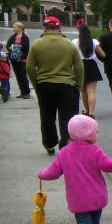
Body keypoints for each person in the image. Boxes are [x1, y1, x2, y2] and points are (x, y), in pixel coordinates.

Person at [26, 16, 83, 154]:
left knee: (47, 116)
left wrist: (36, 84)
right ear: (59, 28)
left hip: (45, 85)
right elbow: (79, 68)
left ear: (44, 28)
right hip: (67, 85)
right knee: (68, 118)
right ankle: (66, 146)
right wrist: (78, 87)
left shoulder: (36, 45)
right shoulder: (70, 45)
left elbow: (29, 68)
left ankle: (49, 144)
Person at [77, 24, 105, 117]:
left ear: (79, 32)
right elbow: (103, 54)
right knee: (91, 90)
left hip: (80, 65)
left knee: (83, 91)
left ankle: (87, 110)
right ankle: (91, 113)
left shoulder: (75, 41)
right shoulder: (94, 41)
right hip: (91, 65)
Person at [5, 21, 32, 98]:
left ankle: (26, 93)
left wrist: (18, 50)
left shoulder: (25, 38)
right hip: (14, 59)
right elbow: (7, 46)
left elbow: (26, 48)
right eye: (13, 27)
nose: (13, 28)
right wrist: (12, 49)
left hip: (22, 60)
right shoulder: (12, 37)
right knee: (18, 76)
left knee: (23, 76)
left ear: (20, 28)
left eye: (15, 27)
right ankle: (22, 92)